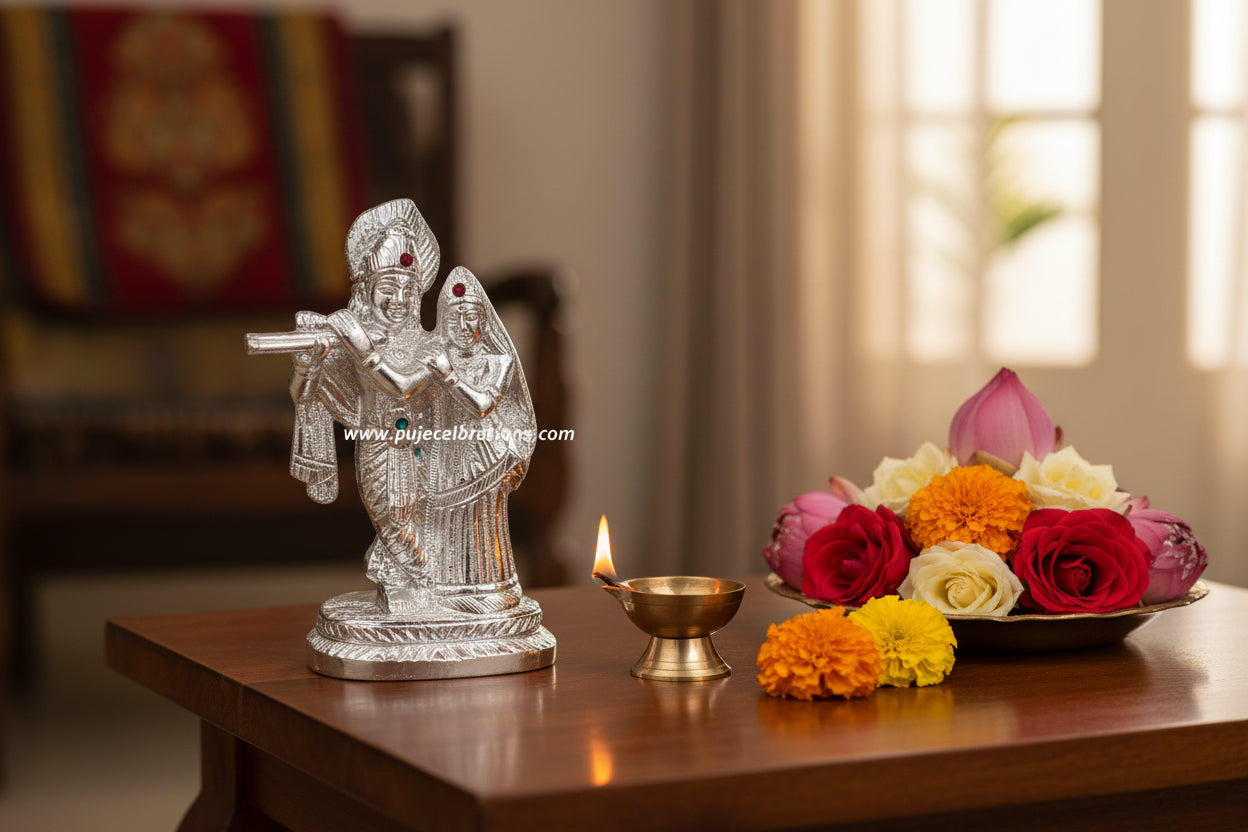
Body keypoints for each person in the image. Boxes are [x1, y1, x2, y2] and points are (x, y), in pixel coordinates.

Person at [289, 198, 443, 614]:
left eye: (407, 290)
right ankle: (411, 583)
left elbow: (404, 390)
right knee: (387, 515)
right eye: (387, 289)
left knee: (404, 520)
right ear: (365, 291)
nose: (398, 299)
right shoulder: (355, 340)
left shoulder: (429, 345)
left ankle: (426, 583)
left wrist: (358, 345)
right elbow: (304, 395)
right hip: (374, 447)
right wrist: (308, 364)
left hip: (418, 449)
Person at [421, 267, 536, 611]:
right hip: (445, 457)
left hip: (484, 457)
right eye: (456, 318)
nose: (465, 326)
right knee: (446, 522)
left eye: (472, 317)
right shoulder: (436, 361)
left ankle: (491, 588)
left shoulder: (496, 362)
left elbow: (483, 405)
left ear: (483, 323)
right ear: (444, 322)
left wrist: (448, 376)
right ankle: (443, 594)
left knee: (482, 522)